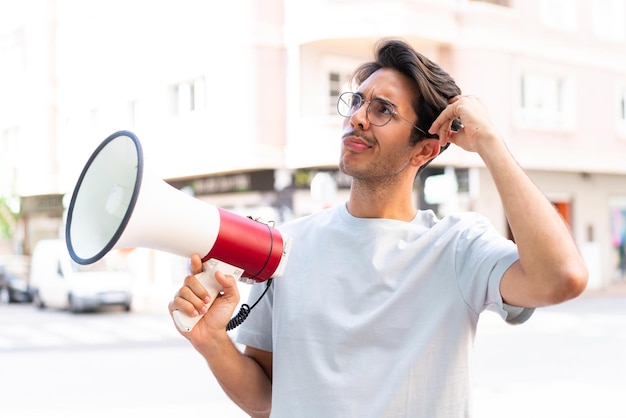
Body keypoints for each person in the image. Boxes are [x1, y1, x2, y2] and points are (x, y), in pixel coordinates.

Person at [168, 38, 588, 417]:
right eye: (356, 101)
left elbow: (561, 277)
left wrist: (490, 142)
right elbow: (265, 399)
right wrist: (212, 342)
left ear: (424, 149)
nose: (358, 119)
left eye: (383, 109)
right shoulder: (284, 247)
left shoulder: (458, 247)